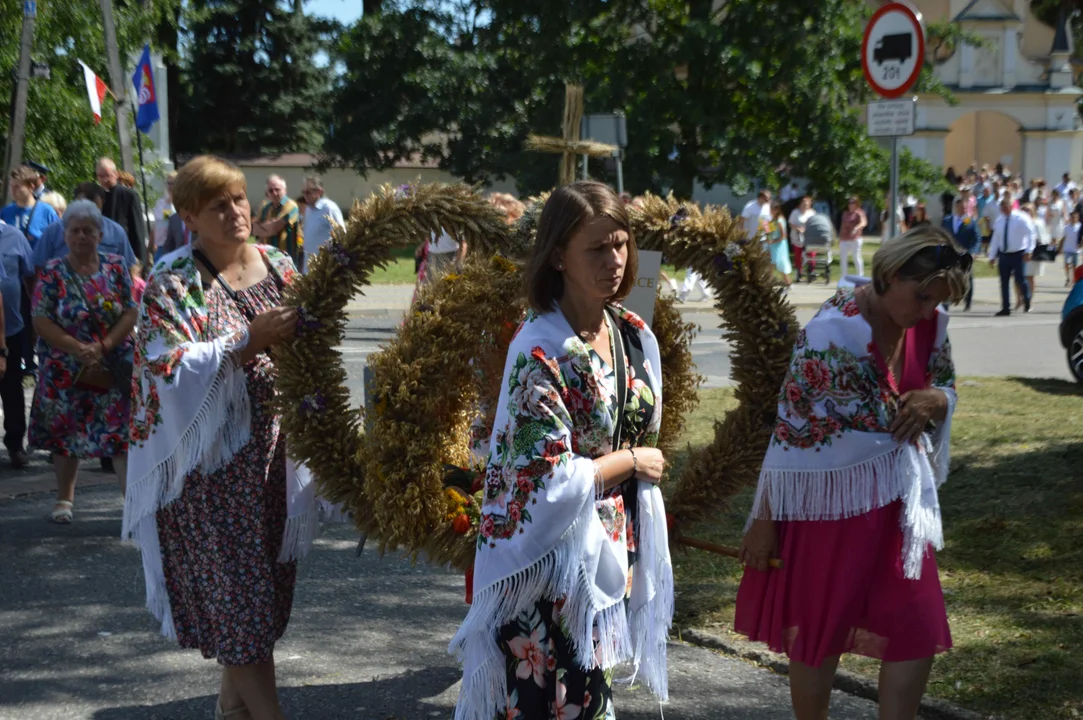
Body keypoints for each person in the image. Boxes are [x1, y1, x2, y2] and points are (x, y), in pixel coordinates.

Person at [450, 181, 673, 720]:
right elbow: (542, 475)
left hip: (604, 556)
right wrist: (633, 462)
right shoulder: (539, 345)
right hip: (546, 567)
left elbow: (637, 418)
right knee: (556, 704)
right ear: (558, 256)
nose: (614, 260)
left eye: (621, 244)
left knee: (590, 697)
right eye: (596, 248)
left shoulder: (632, 331)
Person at [736, 225, 969, 720]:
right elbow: (792, 431)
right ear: (888, 275)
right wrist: (764, 520)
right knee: (819, 631)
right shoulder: (830, 333)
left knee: (916, 628)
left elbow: (944, 385)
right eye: (923, 297)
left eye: (936, 301)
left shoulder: (931, 323)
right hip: (829, 507)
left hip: (900, 507)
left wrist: (936, 399)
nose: (927, 311)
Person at [123, 155, 316, 720]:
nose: (235, 212)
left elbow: (315, 340)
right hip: (208, 477)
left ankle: (232, 711)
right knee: (241, 610)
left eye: (238, 198)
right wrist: (246, 342)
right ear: (189, 215)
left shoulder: (279, 264)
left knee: (265, 603)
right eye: (218, 205)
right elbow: (163, 370)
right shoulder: (172, 280)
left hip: (272, 463)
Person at [29, 199, 136, 524]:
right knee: (65, 436)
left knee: (121, 436)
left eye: (88, 231)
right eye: (74, 231)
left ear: (100, 234)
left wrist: (104, 345)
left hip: (110, 364)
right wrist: (77, 347)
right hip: (64, 367)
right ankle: (64, 499)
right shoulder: (52, 272)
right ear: (65, 235)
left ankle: (131, 505)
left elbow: (131, 310)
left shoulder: (116, 267)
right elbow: (40, 318)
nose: (81, 236)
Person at [34, 183, 137, 271]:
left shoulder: (116, 231)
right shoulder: (54, 231)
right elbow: (37, 267)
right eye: (82, 203)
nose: (87, 210)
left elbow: (129, 268)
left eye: (93, 205)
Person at [0, 223, 33, 467]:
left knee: (12, 388)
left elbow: (29, 276)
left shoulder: (15, 236)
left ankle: (15, 444)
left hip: (11, 327)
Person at [989, 196, 1036, 316]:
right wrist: (992, 256)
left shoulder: (1021, 218)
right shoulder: (999, 221)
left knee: (1020, 279)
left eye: (1006, 206)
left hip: (1018, 254)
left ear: (1011, 206)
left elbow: (1031, 233)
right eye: (1002, 206)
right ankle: (1005, 307)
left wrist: (1029, 251)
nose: (1004, 209)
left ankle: (1026, 299)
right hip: (1004, 255)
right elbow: (995, 239)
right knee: (1004, 282)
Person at [96, 157, 148, 263]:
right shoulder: (96, 196)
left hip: (124, 253)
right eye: (100, 176)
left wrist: (140, 259)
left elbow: (138, 230)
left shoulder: (129, 195)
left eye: (107, 175)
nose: (104, 180)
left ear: (116, 174)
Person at [252, 174, 303, 270]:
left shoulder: (291, 206)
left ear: (285, 190)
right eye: (271, 190)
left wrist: (262, 228)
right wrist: (266, 227)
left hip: (286, 259)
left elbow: (274, 227)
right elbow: (254, 230)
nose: (274, 193)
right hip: (268, 258)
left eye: (277, 189)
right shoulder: (265, 207)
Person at [3, 166, 60, 246]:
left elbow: (58, 241)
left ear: (31, 187)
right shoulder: (5, 212)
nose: (12, 190)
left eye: (17, 187)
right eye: (11, 186)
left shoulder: (47, 212)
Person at [942, 198, 980, 311]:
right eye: (961, 207)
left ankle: (968, 301)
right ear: (956, 207)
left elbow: (977, 238)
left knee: (967, 277)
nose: (963, 209)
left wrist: (974, 252)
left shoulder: (970, 222)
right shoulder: (947, 220)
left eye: (965, 207)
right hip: (950, 254)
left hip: (965, 254)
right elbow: (942, 235)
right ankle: (946, 301)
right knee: (948, 277)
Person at [300, 176, 345, 271]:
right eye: (303, 192)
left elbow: (341, 236)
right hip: (309, 268)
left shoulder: (329, 208)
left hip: (325, 269)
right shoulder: (308, 210)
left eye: (308, 192)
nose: (305, 195)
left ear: (319, 191)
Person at [839, 196, 867, 277]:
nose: (851, 204)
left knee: (856, 257)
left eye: (853, 202)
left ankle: (860, 276)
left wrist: (856, 228)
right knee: (843, 258)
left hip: (855, 239)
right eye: (850, 203)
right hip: (844, 239)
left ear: (857, 204)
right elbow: (842, 225)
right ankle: (844, 277)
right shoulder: (845, 213)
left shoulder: (859, 212)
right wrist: (840, 237)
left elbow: (863, 222)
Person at [151, 171, 177, 257]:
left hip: (175, 247)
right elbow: (156, 225)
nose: (170, 186)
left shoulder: (181, 205)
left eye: (173, 183)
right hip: (160, 247)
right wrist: (151, 246)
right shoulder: (160, 203)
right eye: (168, 183)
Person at [789, 196, 815, 281]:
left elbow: (814, 224)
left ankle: (811, 271)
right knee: (798, 255)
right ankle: (799, 272)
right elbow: (791, 223)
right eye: (803, 204)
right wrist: (798, 228)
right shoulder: (795, 212)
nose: (804, 206)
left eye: (806, 205)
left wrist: (806, 229)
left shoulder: (812, 213)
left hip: (809, 237)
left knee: (811, 254)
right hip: (797, 236)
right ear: (800, 204)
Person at [767, 201, 791, 286]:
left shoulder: (780, 220)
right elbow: (770, 232)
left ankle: (788, 283)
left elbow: (783, 236)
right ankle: (768, 283)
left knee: (780, 264)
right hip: (774, 245)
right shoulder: (773, 220)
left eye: (773, 209)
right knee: (771, 264)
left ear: (777, 210)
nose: (771, 211)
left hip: (779, 245)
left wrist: (773, 241)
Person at [1062, 210, 1080, 287]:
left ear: (1078, 218)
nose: (1073, 219)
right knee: (1066, 263)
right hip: (1067, 248)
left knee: (1074, 265)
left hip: (1076, 249)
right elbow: (1064, 237)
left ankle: (1074, 279)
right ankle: (1068, 278)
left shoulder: (1080, 227)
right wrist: (1060, 248)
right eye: (1072, 217)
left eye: (1075, 217)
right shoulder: (1066, 227)